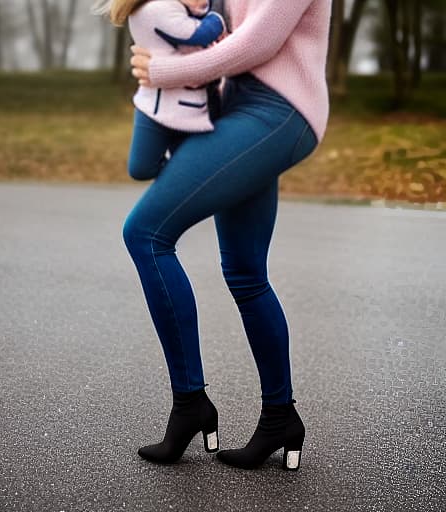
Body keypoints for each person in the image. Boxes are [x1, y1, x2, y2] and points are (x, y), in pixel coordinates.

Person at [126, 0, 332, 470]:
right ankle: (281, 418)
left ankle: (189, 403)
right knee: (244, 271)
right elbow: (205, 27)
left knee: (145, 233)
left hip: (279, 112)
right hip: (240, 108)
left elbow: (259, 41)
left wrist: (164, 72)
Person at [92, 0, 226, 180]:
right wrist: (218, 18)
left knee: (186, 173)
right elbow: (199, 33)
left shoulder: (172, 7)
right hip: (157, 106)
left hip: (186, 108)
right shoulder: (158, 9)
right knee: (142, 169)